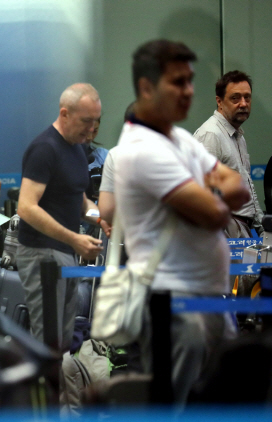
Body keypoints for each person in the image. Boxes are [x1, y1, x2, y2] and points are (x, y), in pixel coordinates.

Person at [114, 40, 249, 404]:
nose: (188, 91)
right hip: (171, 298)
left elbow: (239, 190)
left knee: (225, 387)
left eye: (190, 81)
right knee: (174, 401)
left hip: (206, 293)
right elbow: (215, 211)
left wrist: (212, 198)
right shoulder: (142, 149)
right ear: (146, 87)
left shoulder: (181, 140)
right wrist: (214, 199)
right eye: (178, 82)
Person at [16, 83, 110, 357]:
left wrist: (101, 218)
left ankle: (56, 396)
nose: (91, 129)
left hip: (66, 255)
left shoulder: (78, 149)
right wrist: (74, 238)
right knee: (48, 340)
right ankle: (43, 398)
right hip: (42, 256)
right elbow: (26, 207)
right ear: (65, 113)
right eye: (85, 121)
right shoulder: (44, 149)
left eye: (95, 122)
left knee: (63, 342)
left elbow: (79, 202)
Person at [194, 70, 262, 237]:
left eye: (247, 97)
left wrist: (262, 226)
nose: (244, 103)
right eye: (235, 98)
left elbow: (248, 185)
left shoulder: (238, 135)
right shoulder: (211, 134)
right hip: (222, 229)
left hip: (242, 227)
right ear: (219, 101)